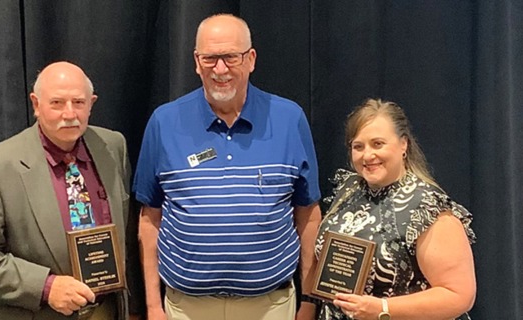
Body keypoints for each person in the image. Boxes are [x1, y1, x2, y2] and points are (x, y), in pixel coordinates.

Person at [134, 13, 322, 320]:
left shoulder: (290, 119)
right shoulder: (164, 122)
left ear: (251, 59)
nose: (220, 69)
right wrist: (153, 307)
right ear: (196, 61)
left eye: (230, 58)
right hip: (186, 308)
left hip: (271, 307)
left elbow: (309, 217)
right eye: (210, 58)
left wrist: (309, 303)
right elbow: (149, 220)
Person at [0, 61, 140, 320]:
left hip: (106, 310)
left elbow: (126, 236)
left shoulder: (112, 146)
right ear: (36, 104)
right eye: (57, 103)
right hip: (40, 313)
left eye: (79, 102)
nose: (69, 113)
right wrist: (45, 287)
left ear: (92, 104)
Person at [309, 99, 476, 320]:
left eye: (378, 144)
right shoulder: (347, 190)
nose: (367, 155)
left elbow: (459, 295)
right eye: (358, 146)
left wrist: (383, 309)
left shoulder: (427, 207)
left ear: (403, 144)